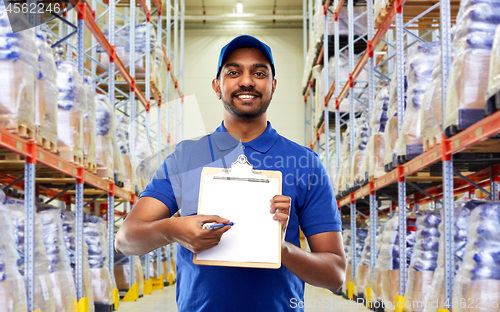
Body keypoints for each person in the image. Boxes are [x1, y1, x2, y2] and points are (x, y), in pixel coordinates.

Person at [116, 35, 346, 311]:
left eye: (259, 73)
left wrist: (281, 249)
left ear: (273, 86)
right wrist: (172, 229)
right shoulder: (186, 157)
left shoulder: (306, 164)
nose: (246, 81)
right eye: (234, 72)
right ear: (217, 86)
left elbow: (335, 274)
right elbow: (126, 240)